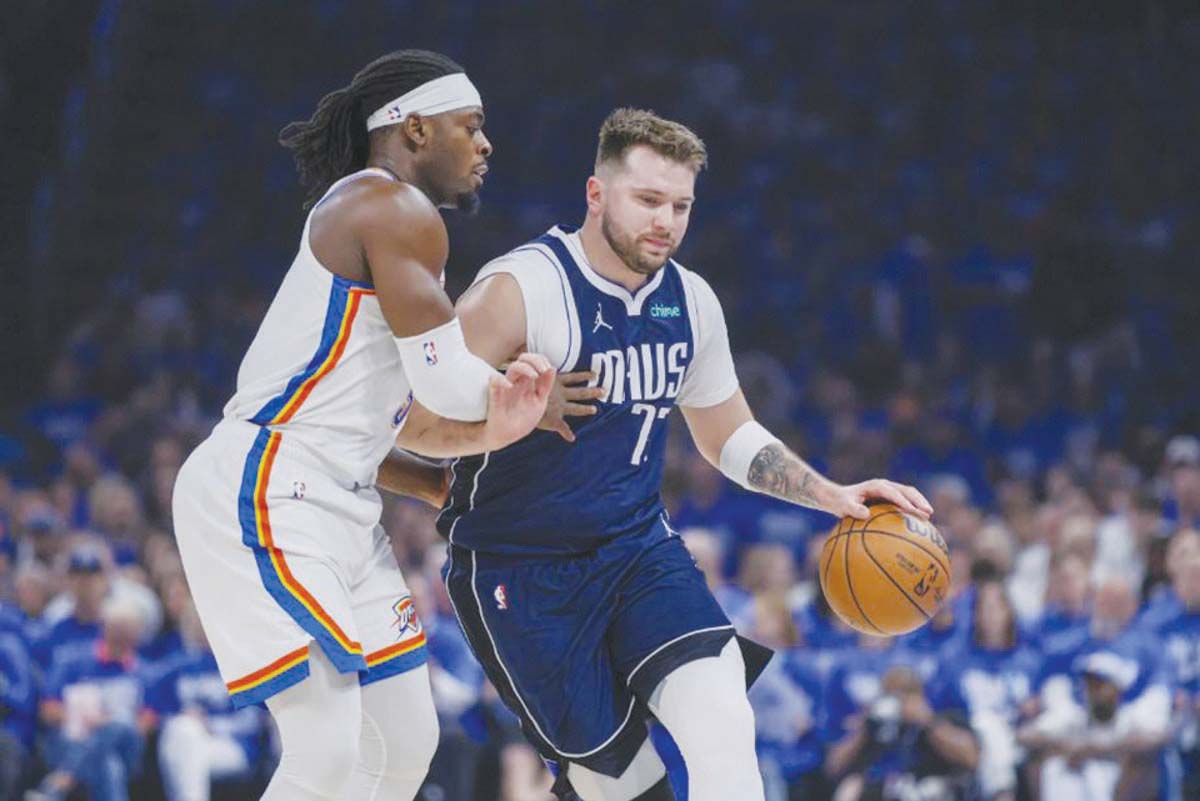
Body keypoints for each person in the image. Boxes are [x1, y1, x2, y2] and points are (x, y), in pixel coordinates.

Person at [396, 108, 933, 801]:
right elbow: (409, 420)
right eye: (648, 199)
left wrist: (832, 493)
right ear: (596, 195)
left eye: (681, 205)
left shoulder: (691, 302)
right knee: (621, 787)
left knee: (723, 719)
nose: (667, 221)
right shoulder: (521, 290)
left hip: (636, 549)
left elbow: (726, 435)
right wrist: (504, 422)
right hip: (521, 570)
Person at [171, 49, 561, 801]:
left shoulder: (392, 225)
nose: (486, 146)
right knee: (323, 750)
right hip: (268, 485)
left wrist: (438, 480)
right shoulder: (389, 205)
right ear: (415, 128)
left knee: (405, 742)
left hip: (336, 493)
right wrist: (522, 402)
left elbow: (385, 425)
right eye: (470, 127)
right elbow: (448, 383)